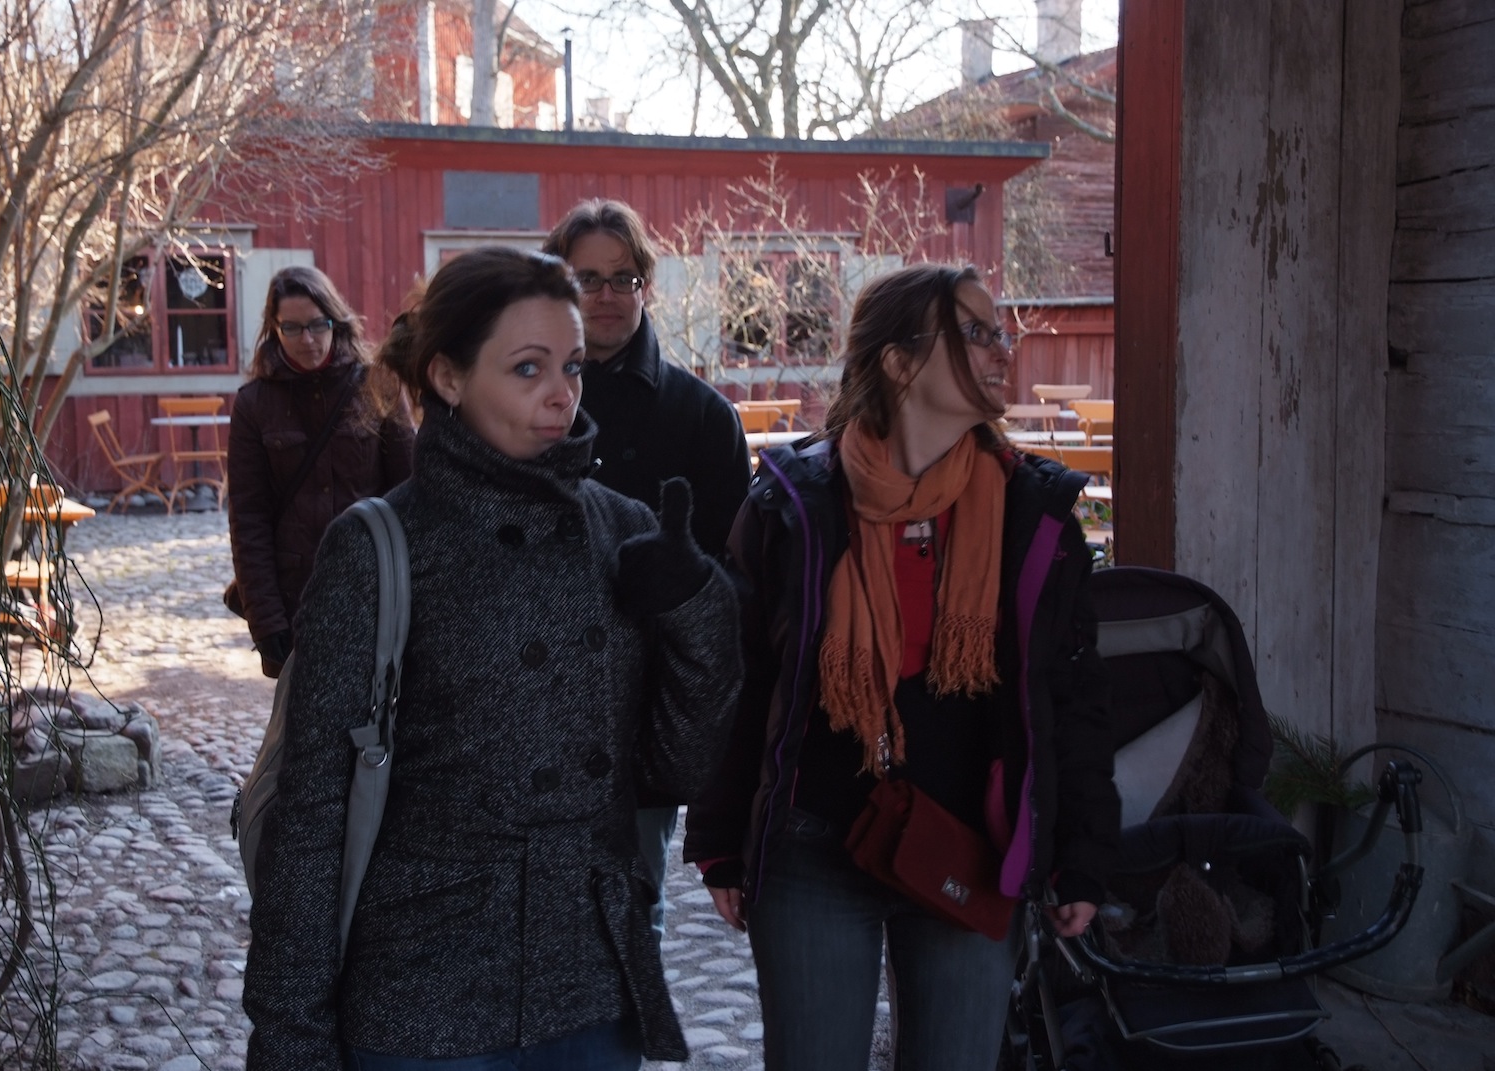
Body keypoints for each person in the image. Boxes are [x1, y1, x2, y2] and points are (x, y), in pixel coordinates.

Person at [242, 247, 743, 1070]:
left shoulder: (620, 529)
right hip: (423, 1000)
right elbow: (314, 813)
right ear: (447, 376)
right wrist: (290, 1035)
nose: (562, 393)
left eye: (572, 366)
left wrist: (696, 607)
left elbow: (676, 769)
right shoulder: (380, 546)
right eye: (527, 368)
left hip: (590, 993)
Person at [683, 263, 1120, 1071]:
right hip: (813, 847)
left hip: (971, 849)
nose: (1003, 351)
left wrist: (1081, 852)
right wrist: (719, 836)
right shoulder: (793, 502)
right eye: (977, 333)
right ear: (898, 361)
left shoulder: (1033, 512)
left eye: (1000, 332)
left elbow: (1073, 695)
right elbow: (737, 679)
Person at [542, 198, 751, 937]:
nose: (606, 295)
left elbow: (734, 590)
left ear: (646, 285)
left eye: (622, 278)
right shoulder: (513, 404)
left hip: (639, 707)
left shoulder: (702, 418)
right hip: (524, 695)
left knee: (629, 914)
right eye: (586, 278)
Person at [226, 265, 414, 679]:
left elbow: (412, 494)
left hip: (372, 587)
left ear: (336, 321)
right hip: (296, 598)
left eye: (317, 325)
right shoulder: (254, 404)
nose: (307, 340)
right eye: (292, 328)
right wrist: (265, 620)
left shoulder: (378, 385)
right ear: (274, 329)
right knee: (301, 716)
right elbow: (248, 519)